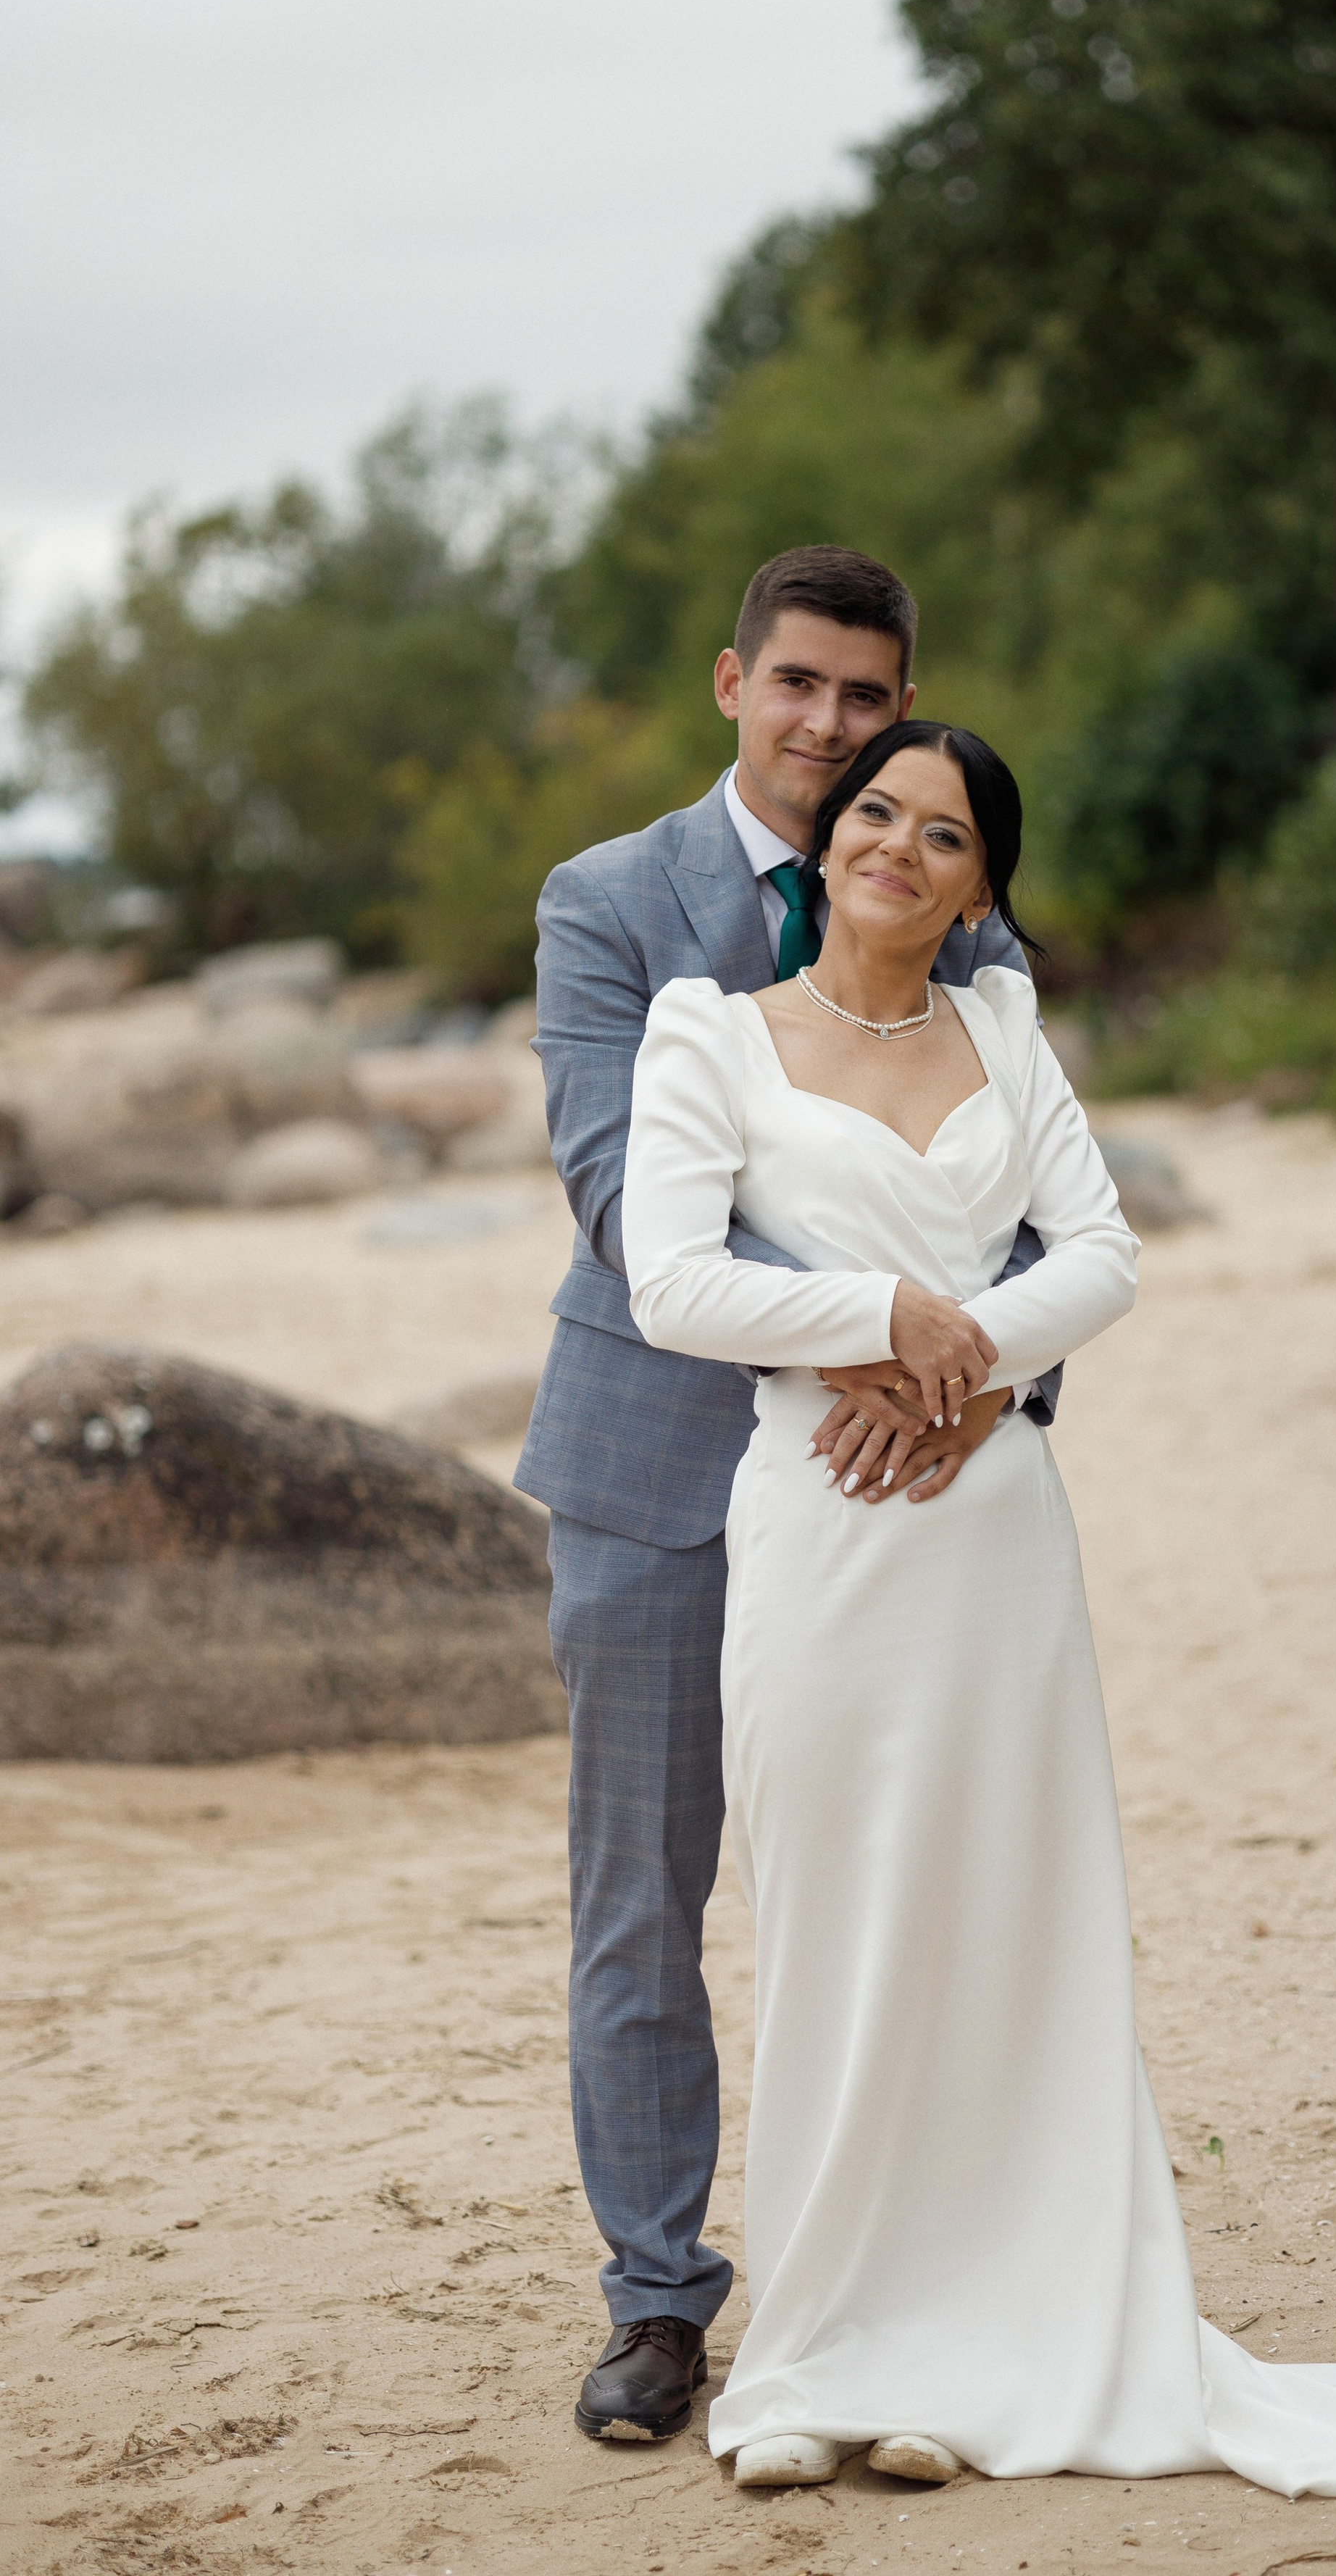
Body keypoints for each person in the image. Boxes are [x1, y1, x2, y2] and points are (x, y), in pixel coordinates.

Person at [619, 715, 1336, 2494]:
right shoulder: (707, 1035)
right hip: (817, 1524)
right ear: (826, 845)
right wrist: (886, 1323)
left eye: (945, 838)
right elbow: (671, 1281)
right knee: (833, 1924)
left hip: (990, 1530)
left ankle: (977, 2356)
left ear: (980, 891)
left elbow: (1100, 1251)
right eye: (876, 814)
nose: (899, 850)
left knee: (1001, 1931)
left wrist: (970, 1373)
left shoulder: (1007, 1035)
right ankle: (805, 2358)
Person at [516, 546, 1059, 2446]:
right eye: (801, 687)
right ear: (733, 684)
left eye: (866, 696)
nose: (831, 729)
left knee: (908, 1894)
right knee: (642, 1907)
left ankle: (903, 2286)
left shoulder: (968, 916)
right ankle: (659, 2305)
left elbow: (1033, 1215)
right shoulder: (608, 905)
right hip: (659, 1473)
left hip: (904, 1476)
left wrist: (979, 1383)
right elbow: (614, 1184)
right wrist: (874, 1326)